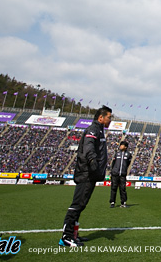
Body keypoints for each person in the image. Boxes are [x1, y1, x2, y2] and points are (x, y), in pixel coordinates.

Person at [60, 106, 112, 247]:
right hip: (86, 173)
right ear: (100, 118)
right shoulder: (93, 130)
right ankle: (66, 236)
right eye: (109, 117)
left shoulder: (99, 131)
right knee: (77, 204)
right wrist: (92, 160)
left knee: (81, 205)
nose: (110, 120)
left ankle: (74, 235)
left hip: (91, 174)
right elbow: (88, 147)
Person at [109, 141, 132, 208]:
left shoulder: (128, 154)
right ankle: (112, 202)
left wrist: (124, 170)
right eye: (120, 145)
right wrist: (113, 171)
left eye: (122, 145)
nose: (120, 146)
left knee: (123, 189)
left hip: (122, 174)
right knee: (113, 188)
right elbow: (113, 163)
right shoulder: (117, 153)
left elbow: (128, 164)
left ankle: (123, 202)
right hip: (115, 174)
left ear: (125, 147)